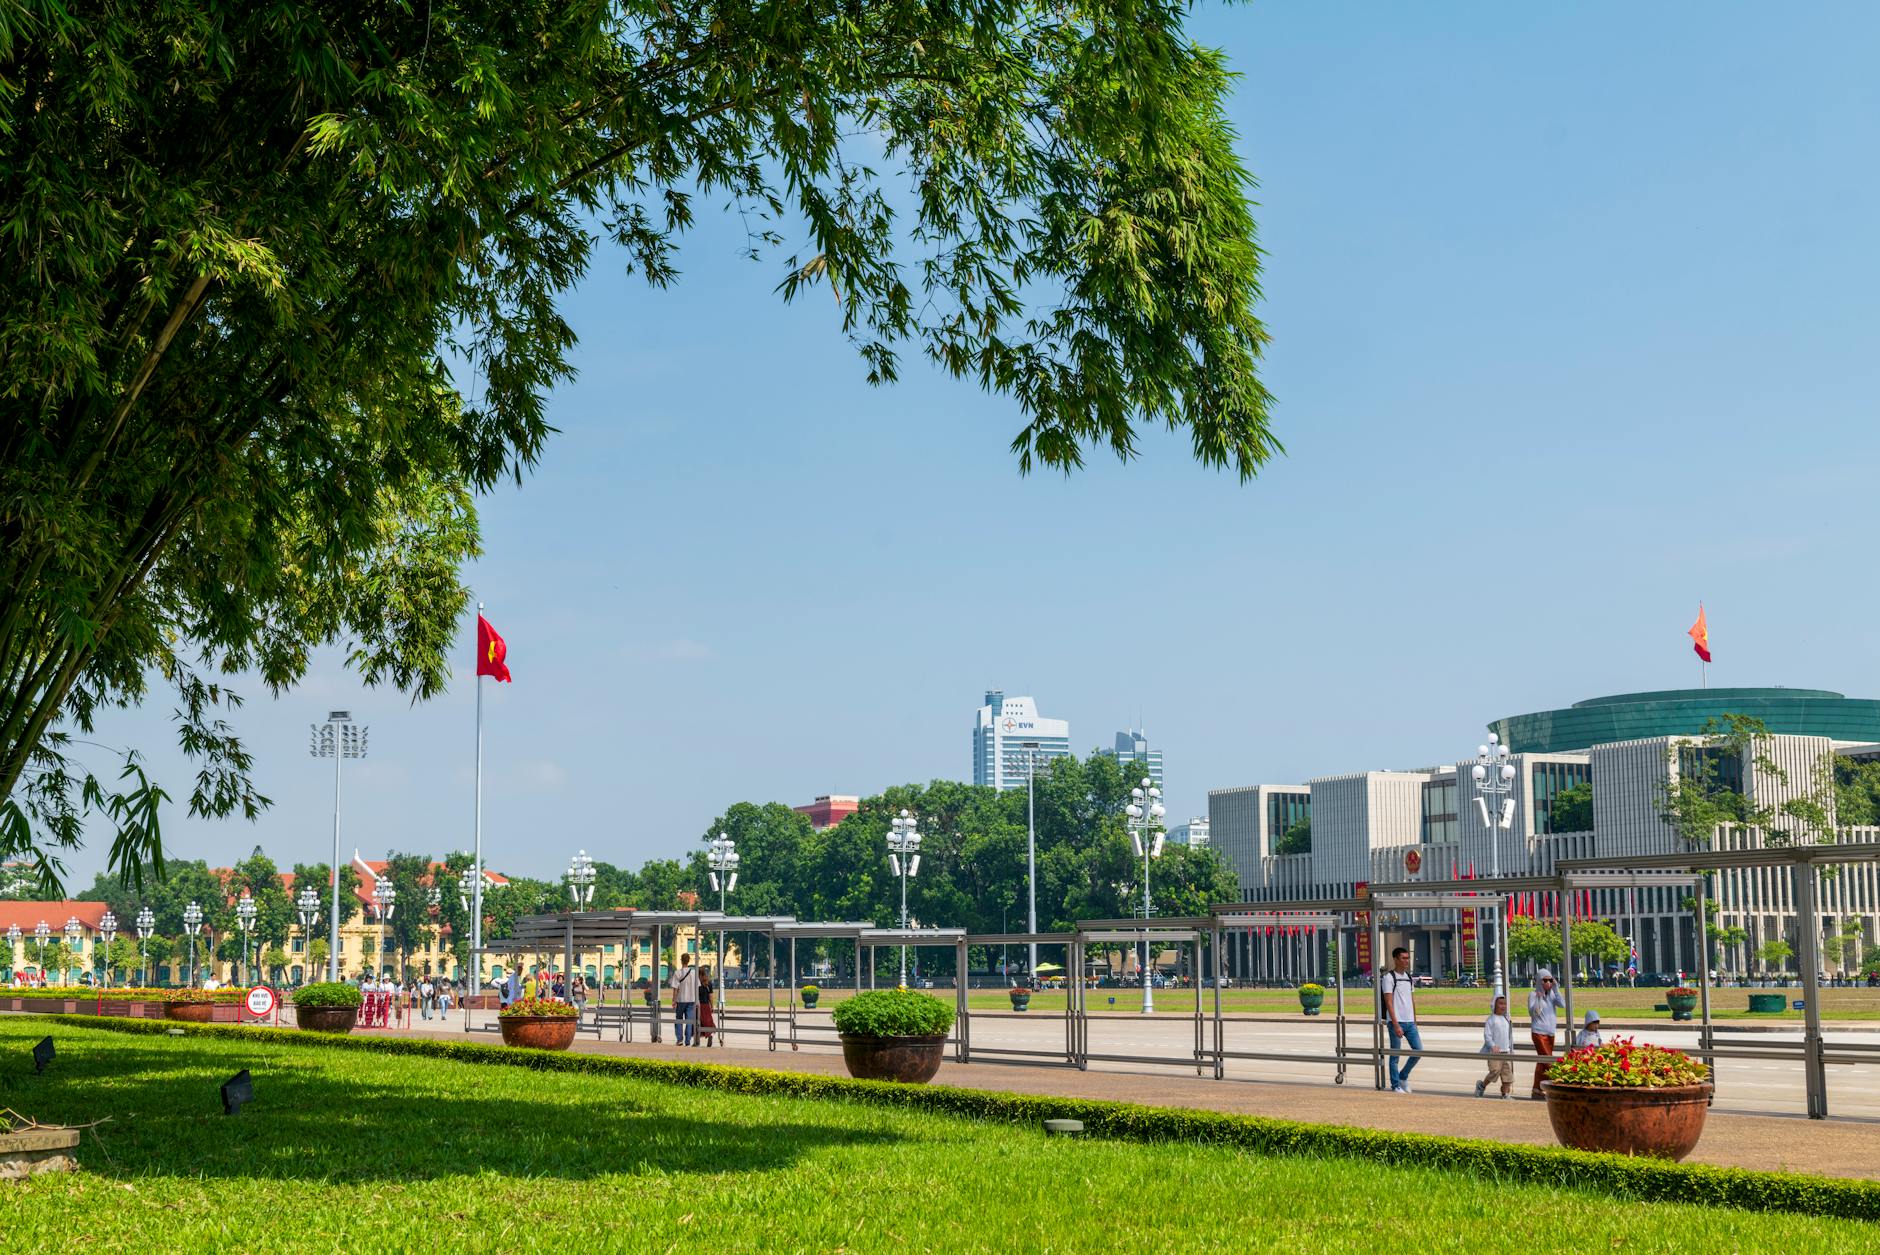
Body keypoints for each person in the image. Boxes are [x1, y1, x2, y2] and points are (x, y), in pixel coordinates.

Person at [1381, 946, 1421, 1093]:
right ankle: (1395, 1085)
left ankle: (1403, 1076)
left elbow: (1411, 1000)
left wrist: (1415, 1021)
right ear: (1396, 959)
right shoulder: (1389, 978)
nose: (1406, 961)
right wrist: (1395, 1023)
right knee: (1395, 1055)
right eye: (1403, 958)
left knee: (1418, 1050)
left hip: (1410, 1022)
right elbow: (1389, 1002)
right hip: (1396, 1022)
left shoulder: (1409, 977)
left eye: (1407, 958)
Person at [1527, 968, 1567, 1099]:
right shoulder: (1533, 995)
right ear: (1539, 981)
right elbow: (1534, 1013)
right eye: (1545, 980)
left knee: (1542, 1061)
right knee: (1548, 1061)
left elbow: (1562, 1004)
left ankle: (1536, 1089)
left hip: (1550, 1032)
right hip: (1538, 1032)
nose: (1548, 982)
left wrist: (1556, 988)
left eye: (1550, 980)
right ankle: (1559, 1084)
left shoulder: (1552, 995)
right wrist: (1539, 998)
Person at [1475, 994, 1515, 1099]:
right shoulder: (1491, 1020)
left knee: (1508, 1076)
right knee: (1495, 1071)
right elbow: (1487, 1036)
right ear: (1494, 1005)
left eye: (1505, 1004)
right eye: (1500, 1004)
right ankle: (1482, 1085)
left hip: (1506, 1052)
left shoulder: (1506, 1019)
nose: (1503, 1006)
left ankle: (1505, 1094)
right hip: (1494, 1052)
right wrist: (1492, 1046)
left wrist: (1511, 1049)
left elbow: (1509, 1036)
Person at [670, 953, 700, 1046]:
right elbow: (697, 987)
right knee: (689, 1021)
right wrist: (697, 1000)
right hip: (691, 1000)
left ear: (681, 960)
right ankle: (688, 1040)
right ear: (689, 960)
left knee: (679, 1019)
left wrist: (674, 1000)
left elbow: (675, 988)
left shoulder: (677, 973)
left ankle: (679, 1039)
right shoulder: (694, 973)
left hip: (681, 1000)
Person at [697, 965, 716, 1047]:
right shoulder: (709, 983)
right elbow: (710, 996)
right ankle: (710, 1035)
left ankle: (697, 1039)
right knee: (707, 1022)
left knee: (699, 1022)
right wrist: (712, 1006)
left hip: (698, 1005)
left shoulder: (697, 984)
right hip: (706, 1005)